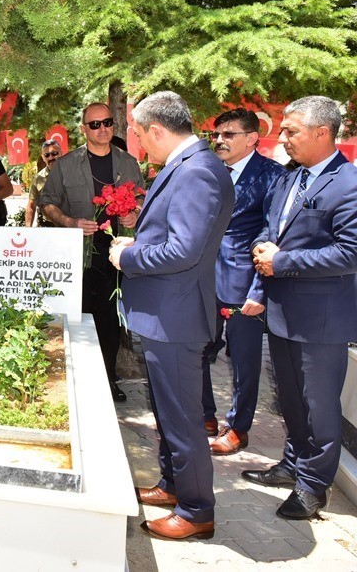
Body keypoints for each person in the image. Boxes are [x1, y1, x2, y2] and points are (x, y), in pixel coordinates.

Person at [109, 91, 233, 541]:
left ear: (158, 131)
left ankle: (198, 510)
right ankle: (174, 484)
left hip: (175, 316)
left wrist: (130, 255)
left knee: (182, 417)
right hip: (166, 312)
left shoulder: (197, 171)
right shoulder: (187, 166)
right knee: (167, 411)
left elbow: (183, 249)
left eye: (140, 136)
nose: (140, 144)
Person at [245, 95, 357, 520]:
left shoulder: (349, 184)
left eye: (291, 131)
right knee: (291, 399)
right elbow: (271, 230)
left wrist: (282, 261)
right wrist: (262, 254)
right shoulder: (290, 178)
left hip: (322, 320)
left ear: (322, 133)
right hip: (283, 312)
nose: (283, 137)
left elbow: (350, 253)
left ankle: (314, 487)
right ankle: (293, 464)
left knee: (319, 406)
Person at [40, 104, 144, 401]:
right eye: (95, 124)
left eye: (107, 122)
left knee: (110, 320)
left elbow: (139, 199)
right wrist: (70, 222)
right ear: (83, 129)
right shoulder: (66, 164)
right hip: (78, 254)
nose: (102, 129)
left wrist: (134, 214)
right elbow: (47, 203)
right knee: (77, 317)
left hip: (116, 251)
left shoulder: (128, 162)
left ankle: (109, 379)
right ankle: (76, 382)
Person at [202, 108, 285, 454]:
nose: (219, 140)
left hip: (244, 282)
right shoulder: (207, 169)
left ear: (252, 138)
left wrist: (258, 290)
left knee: (246, 359)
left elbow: (273, 233)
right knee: (199, 348)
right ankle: (204, 414)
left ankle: (238, 427)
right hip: (203, 277)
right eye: (216, 134)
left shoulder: (273, 175)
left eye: (228, 134)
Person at [25, 139, 61, 227]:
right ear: (43, 157)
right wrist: (27, 229)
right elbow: (31, 206)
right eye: (47, 155)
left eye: (54, 153)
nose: (51, 157)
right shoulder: (38, 179)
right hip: (47, 227)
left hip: (71, 227)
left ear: (61, 153)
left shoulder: (73, 173)